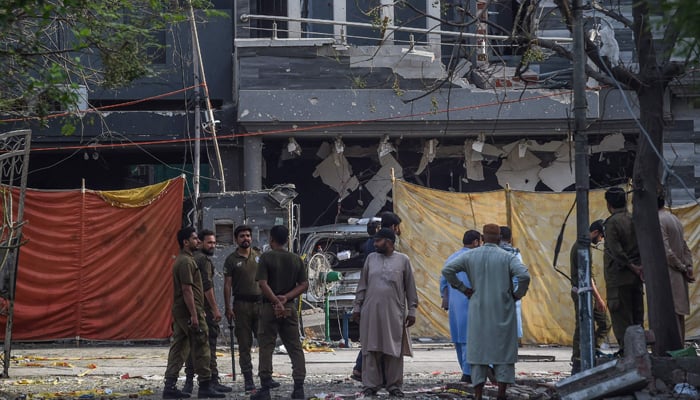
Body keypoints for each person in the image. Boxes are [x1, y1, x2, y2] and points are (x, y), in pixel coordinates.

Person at [442, 224, 530, 400]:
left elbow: (447, 271)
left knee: (478, 352)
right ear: (499, 238)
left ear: (482, 238)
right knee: (503, 353)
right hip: (503, 311)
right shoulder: (508, 257)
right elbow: (524, 276)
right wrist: (517, 294)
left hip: (477, 311)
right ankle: (501, 394)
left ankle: (478, 394)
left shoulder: (469, 256)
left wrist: (463, 289)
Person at [352, 227, 418, 398]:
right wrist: (357, 307)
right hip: (370, 312)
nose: (374, 244)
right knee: (370, 348)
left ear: (389, 242)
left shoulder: (403, 260)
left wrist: (412, 310)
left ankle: (394, 386)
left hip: (394, 312)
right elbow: (362, 286)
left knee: (393, 349)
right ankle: (370, 385)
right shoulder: (371, 259)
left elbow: (410, 288)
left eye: (378, 241)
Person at [162, 227, 225, 399]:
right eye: (195, 239)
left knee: (179, 347)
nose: (198, 241)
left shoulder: (185, 260)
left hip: (184, 310)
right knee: (201, 344)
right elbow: (187, 290)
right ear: (185, 242)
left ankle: (170, 385)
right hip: (190, 310)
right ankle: (205, 384)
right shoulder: (186, 262)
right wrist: (195, 315)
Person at [251, 225, 308, 400]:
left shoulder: (266, 258)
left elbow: (262, 283)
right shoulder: (296, 259)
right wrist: (285, 298)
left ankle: (265, 387)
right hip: (289, 307)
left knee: (266, 346)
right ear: (287, 240)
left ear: (271, 239)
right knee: (294, 347)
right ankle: (298, 387)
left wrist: (275, 301)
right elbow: (304, 285)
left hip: (269, 307)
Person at [224, 225, 280, 392]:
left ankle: (266, 377)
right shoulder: (231, 260)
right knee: (244, 344)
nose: (245, 238)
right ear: (236, 239)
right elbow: (227, 286)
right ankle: (248, 379)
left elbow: (267, 281)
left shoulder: (259, 256)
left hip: (260, 304)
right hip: (241, 306)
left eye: (248, 235)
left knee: (265, 342)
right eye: (242, 236)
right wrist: (228, 307)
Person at [351, 211, 403, 382]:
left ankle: (371, 373)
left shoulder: (373, 243)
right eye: (397, 227)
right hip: (378, 298)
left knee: (375, 336)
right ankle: (364, 371)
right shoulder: (378, 248)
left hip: (380, 298)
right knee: (376, 338)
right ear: (394, 227)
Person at [182, 230, 231, 394]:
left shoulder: (190, 259)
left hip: (192, 309)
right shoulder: (202, 260)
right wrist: (216, 309)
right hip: (203, 310)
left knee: (192, 347)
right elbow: (207, 287)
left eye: (214, 242)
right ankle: (210, 381)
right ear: (200, 243)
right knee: (208, 346)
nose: (213, 246)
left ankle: (190, 382)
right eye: (209, 242)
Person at [603, 187, 644, 356]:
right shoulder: (634, 219)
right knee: (637, 317)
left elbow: (615, 250)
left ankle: (628, 355)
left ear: (609, 204)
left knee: (622, 318)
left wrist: (630, 265)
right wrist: (638, 267)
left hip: (619, 278)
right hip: (636, 277)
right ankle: (639, 353)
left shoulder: (612, 223)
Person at [439, 229, 481, 383]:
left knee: (459, 338)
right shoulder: (476, 258)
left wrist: (445, 297)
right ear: (476, 242)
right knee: (471, 338)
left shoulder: (452, 257)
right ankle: (469, 373)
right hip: (471, 302)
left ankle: (465, 370)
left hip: (455, 305)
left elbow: (443, 280)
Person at [569, 220, 611, 373]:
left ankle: (592, 350)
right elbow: (588, 277)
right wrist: (599, 298)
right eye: (601, 237)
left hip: (586, 292)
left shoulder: (584, 247)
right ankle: (578, 359)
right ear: (595, 233)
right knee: (582, 326)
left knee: (604, 323)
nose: (600, 240)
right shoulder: (583, 248)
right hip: (582, 292)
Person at [658, 195, 695, 343]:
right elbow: (685, 247)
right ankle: (679, 349)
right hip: (678, 273)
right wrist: (688, 266)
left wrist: (681, 267)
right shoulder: (673, 218)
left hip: (670, 274)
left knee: (671, 314)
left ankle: (675, 352)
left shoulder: (659, 220)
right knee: (678, 316)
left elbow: (666, 252)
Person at [499, 226, 523, 341]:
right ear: (510, 239)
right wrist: (518, 292)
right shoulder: (516, 254)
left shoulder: (491, 253)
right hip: (512, 292)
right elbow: (522, 275)